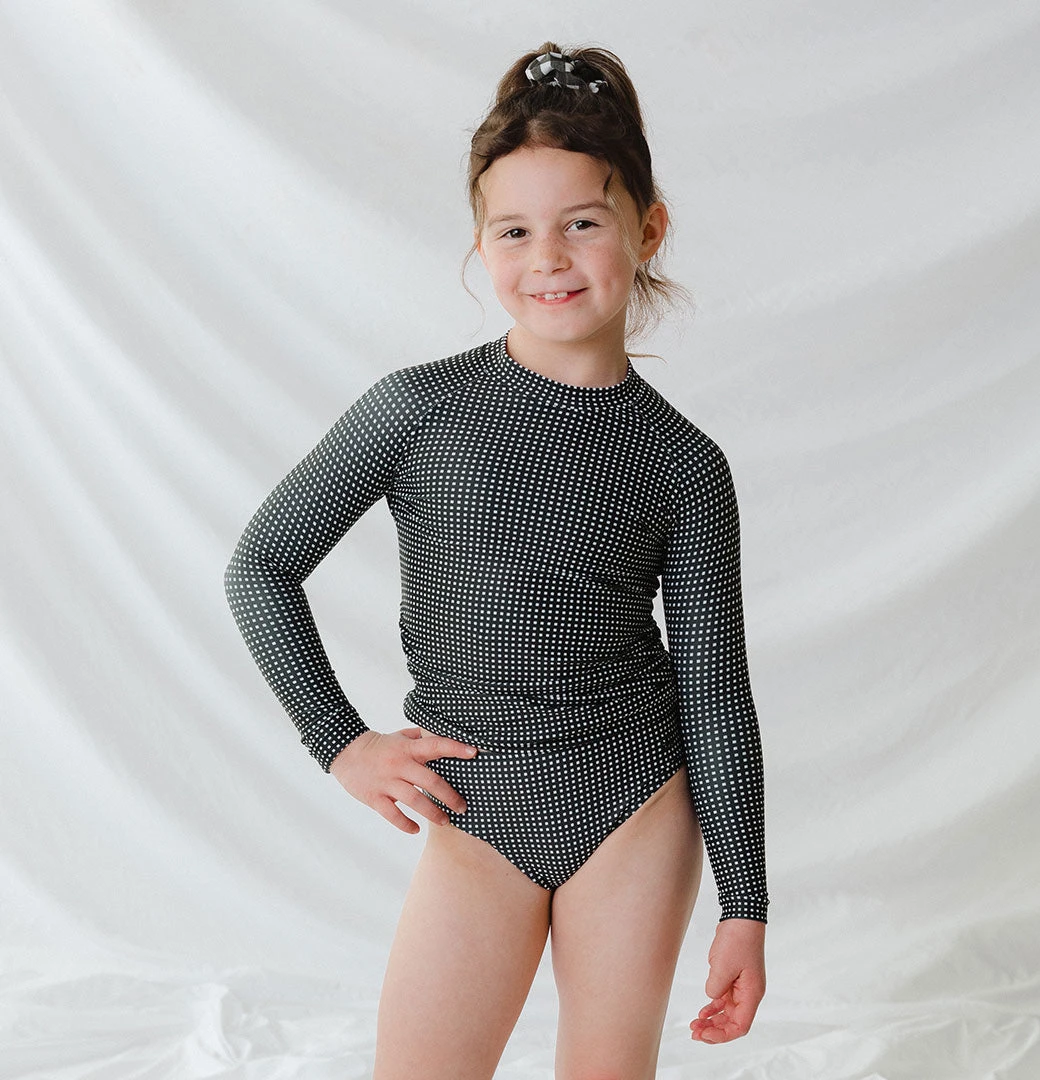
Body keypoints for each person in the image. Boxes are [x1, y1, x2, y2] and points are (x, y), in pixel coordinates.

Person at [224, 41, 768, 1080]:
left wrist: (745, 903)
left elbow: (715, 690)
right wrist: (340, 742)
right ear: (481, 245)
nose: (548, 256)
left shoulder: (685, 464)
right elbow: (262, 567)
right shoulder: (417, 410)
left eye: (583, 222)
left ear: (648, 229)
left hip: (634, 805)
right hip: (476, 814)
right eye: (515, 230)